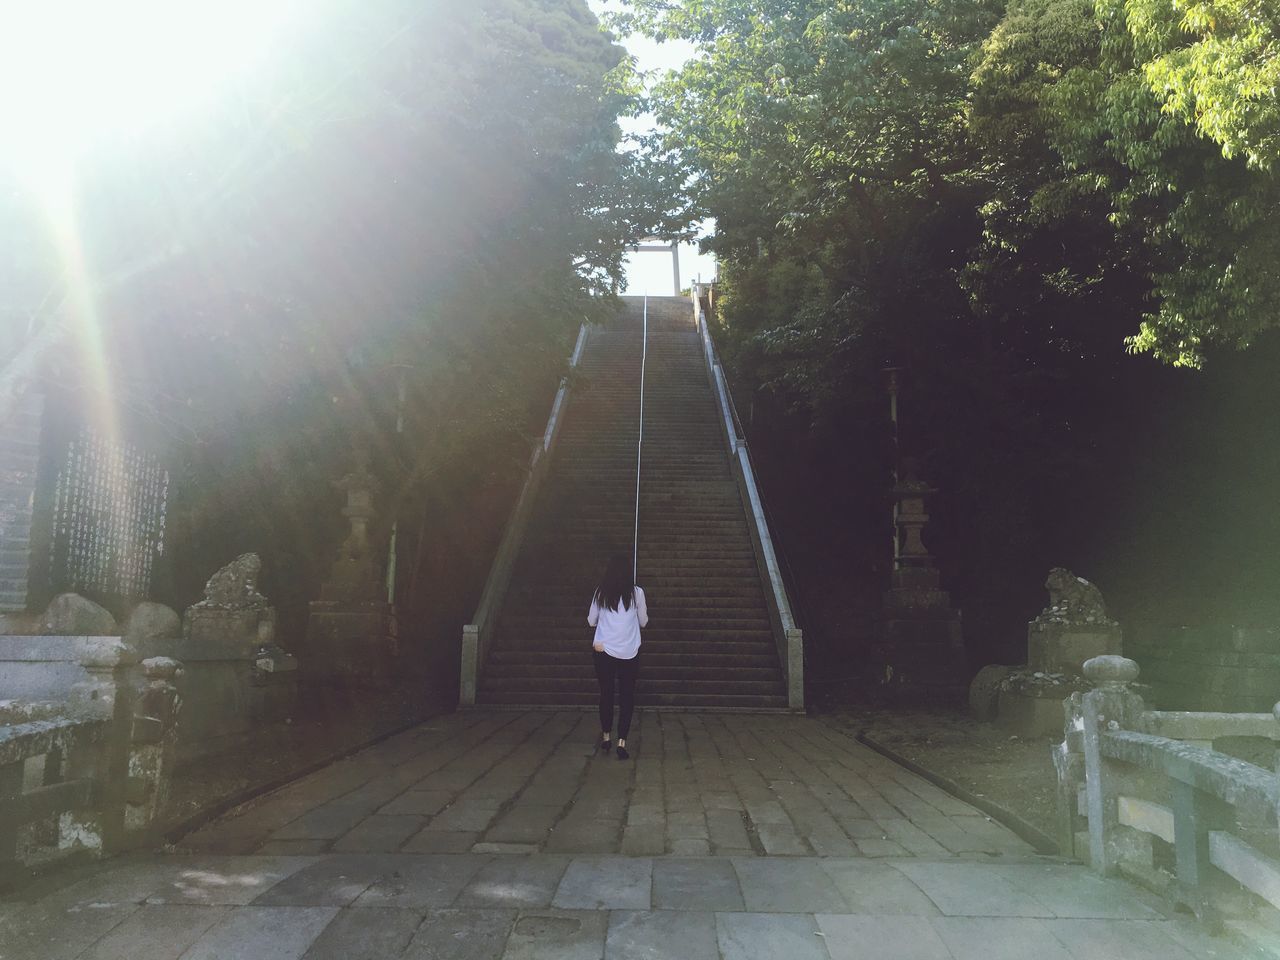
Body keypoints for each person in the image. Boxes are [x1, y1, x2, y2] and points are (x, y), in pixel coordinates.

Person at [587, 554, 647, 760]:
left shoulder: (600, 593)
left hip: (604, 650)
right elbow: (644, 621)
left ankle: (606, 736)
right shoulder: (637, 593)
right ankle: (622, 741)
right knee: (627, 695)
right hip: (629, 651)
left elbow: (590, 620)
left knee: (606, 693)